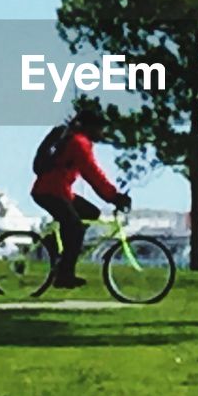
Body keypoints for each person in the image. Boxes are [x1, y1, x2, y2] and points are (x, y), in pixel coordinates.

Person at [31, 109, 130, 288]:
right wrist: (114, 196)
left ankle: (52, 248)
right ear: (90, 128)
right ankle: (64, 274)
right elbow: (92, 174)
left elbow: (91, 174)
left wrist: (112, 196)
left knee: (91, 213)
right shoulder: (79, 143)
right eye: (100, 129)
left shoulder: (78, 141)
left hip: (60, 191)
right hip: (50, 192)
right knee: (75, 228)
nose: (102, 133)